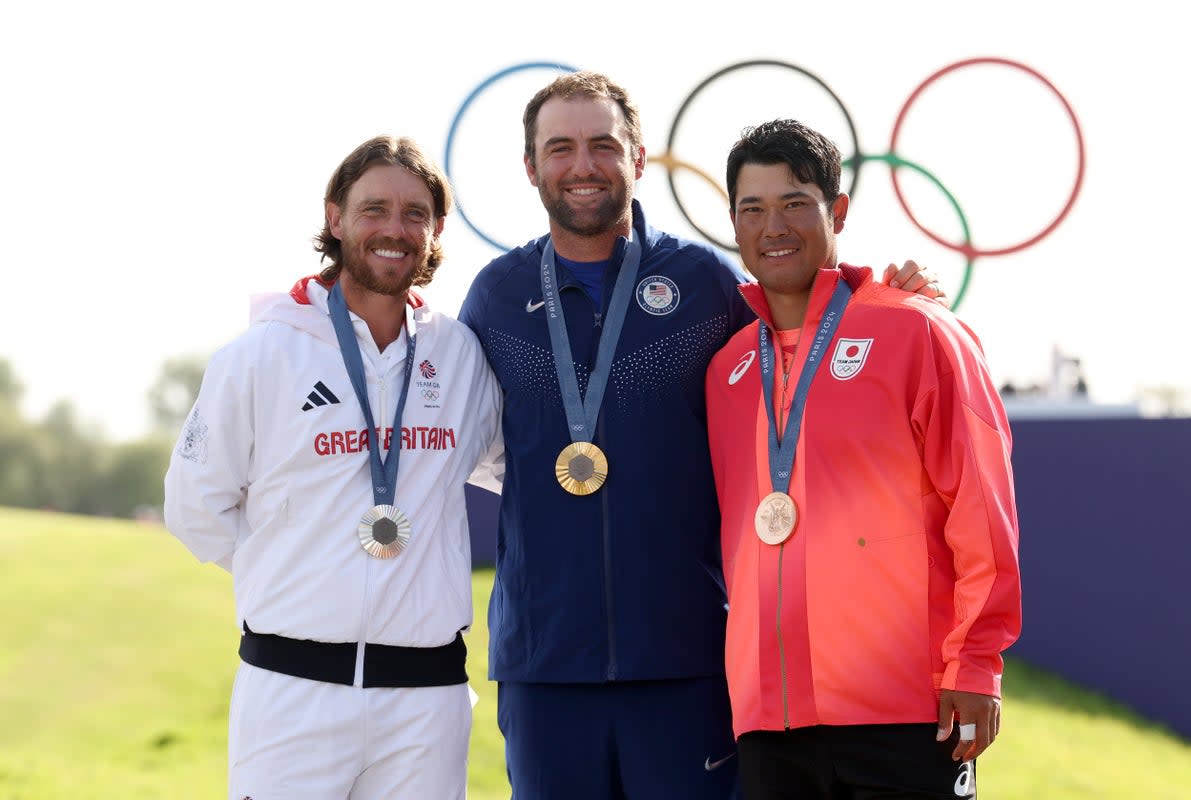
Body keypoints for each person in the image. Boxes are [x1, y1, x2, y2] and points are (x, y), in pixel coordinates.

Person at [459, 70, 943, 799]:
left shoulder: (703, 284)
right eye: (560, 148)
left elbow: (799, 349)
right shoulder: (495, 297)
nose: (582, 165)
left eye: (603, 145)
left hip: (690, 658)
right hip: (544, 662)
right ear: (531, 166)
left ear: (640, 158)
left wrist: (881, 294)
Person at [163, 135, 502, 800]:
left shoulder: (460, 353)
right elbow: (193, 508)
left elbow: (511, 470)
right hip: (292, 691)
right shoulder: (263, 351)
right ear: (335, 218)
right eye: (374, 208)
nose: (394, 229)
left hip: (425, 700)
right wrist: (296, 562)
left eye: (415, 214)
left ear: (435, 231)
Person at [705, 119, 1021, 800]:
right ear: (732, 224)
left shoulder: (917, 330)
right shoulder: (727, 369)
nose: (773, 226)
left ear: (837, 210)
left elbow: (981, 509)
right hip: (769, 720)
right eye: (752, 209)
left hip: (905, 712)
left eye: (794, 203)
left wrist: (975, 665)